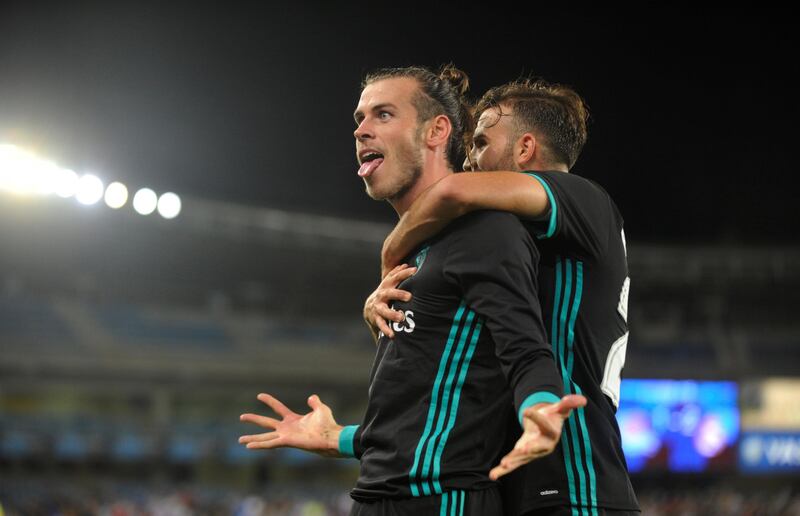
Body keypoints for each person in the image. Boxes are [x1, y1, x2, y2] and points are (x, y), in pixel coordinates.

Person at [239, 66, 585, 515]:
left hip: (444, 500)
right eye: (359, 119)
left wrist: (540, 408)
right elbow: (420, 411)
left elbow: (526, 350)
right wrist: (337, 438)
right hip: (375, 498)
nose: (361, 130)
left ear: (436, 131)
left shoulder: (486, 230)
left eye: (382, 115)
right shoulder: (413, 253)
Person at [365, 78, 640, 515]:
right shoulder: (507, 238)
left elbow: (452, 192)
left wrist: (389, 254)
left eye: (480, 142)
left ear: (526, 148)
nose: (469, 159)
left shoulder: (585, 199)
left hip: (576, 480)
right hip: (523, 477)